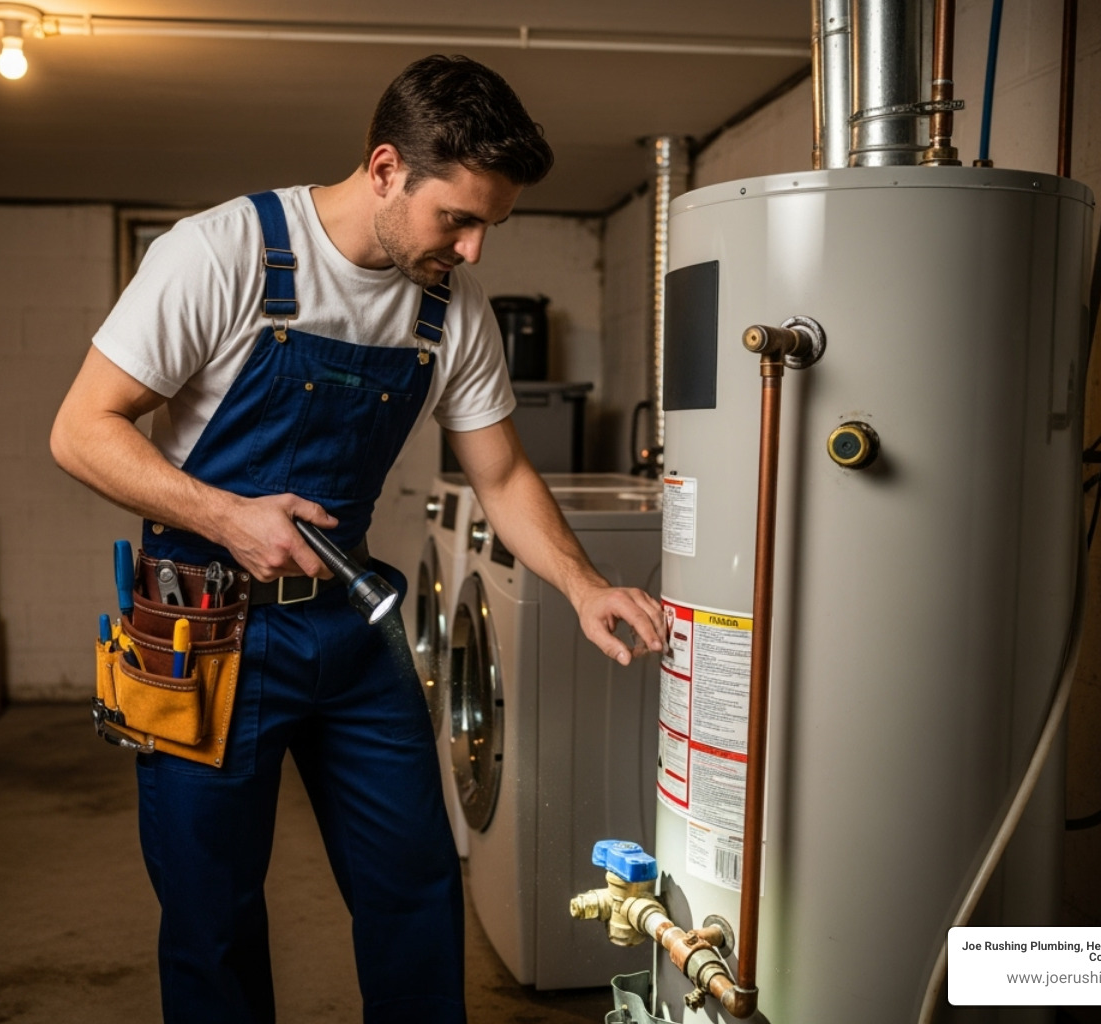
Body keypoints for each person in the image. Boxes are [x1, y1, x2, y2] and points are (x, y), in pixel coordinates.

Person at [49, 54, 666, 1024]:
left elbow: (502, 474)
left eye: (489, 227)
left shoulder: (448, 309)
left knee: (415, 885)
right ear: (386, 169)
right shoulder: (221, 253)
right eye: (456, 219)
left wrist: (585, 585)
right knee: (212, 915)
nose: (472, 251)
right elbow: (81, 429)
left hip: (349, 622)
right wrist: (227, 516)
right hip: (203, 628)